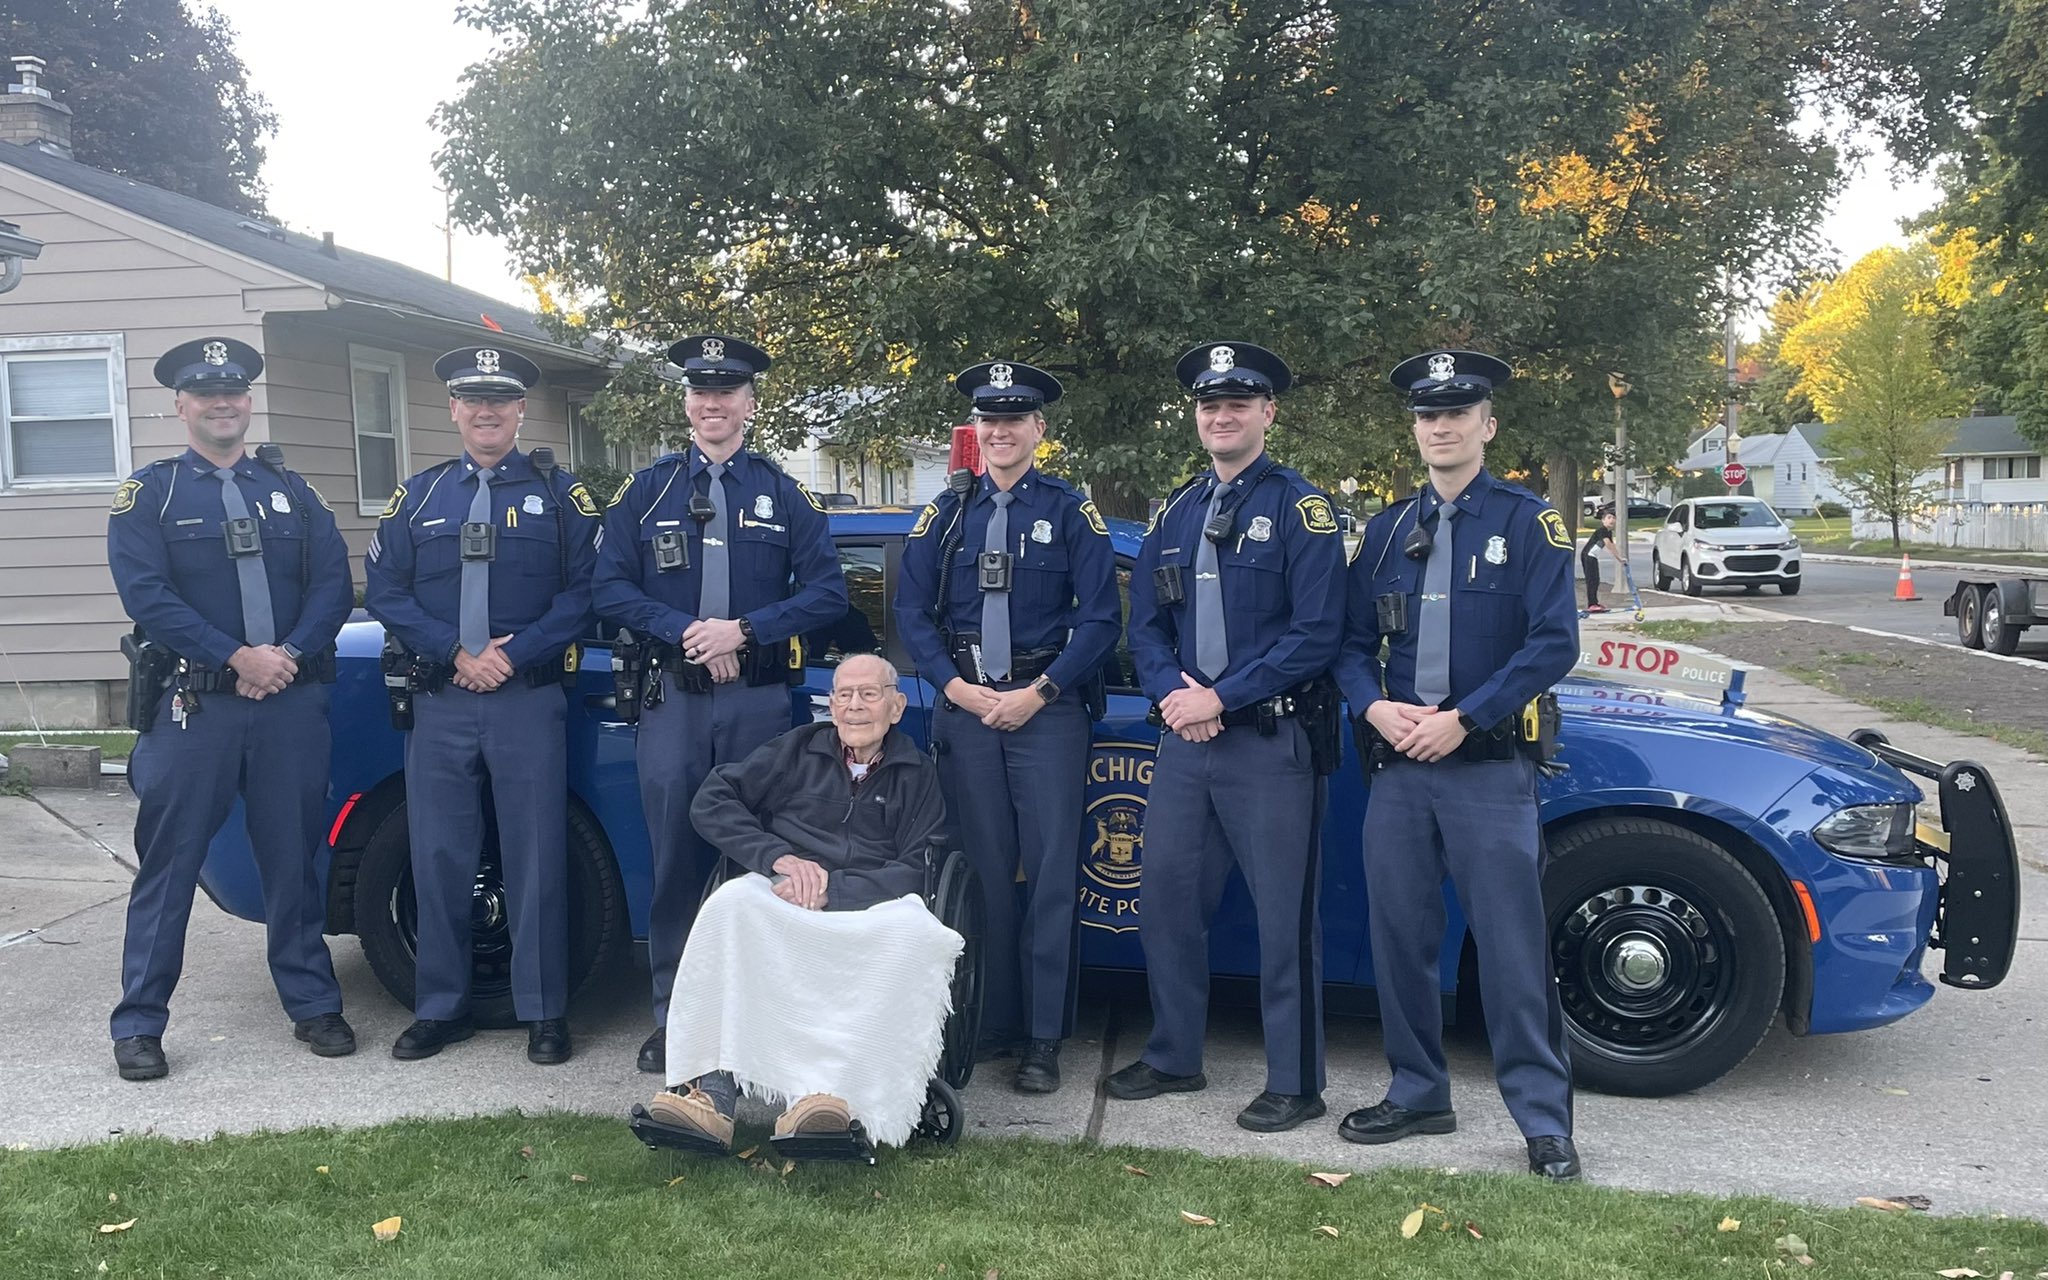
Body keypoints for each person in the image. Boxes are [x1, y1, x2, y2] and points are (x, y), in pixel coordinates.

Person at [1334, 348, 1582, 1180]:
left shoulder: (1527, 522)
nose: (1440, 426)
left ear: (1487, 424)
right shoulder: (1384, 532)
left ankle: (1544, 1122)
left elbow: (1554, 644)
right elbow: (1349, 644)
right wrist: (1372, 705)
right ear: (1415, 428)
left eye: (1456, 412)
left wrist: (1467, 718)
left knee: (1512, 950)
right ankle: (1417, 1093)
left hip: (1486, 771)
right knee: (1400, 940)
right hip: (1400, 770)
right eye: (1426, 415)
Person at [1103, 341, 1345, 1133]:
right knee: (1165, 901)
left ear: (1267, 413)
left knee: (1285, 920)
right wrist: (1176, 695)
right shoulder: (1175, 512)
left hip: (1269, 746)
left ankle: (1295, 1080)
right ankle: (1175, 1054)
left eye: (1239, 403)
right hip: (1186, 748)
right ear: (1196, 417)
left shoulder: (1302, 510)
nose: (1223, 415)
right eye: (1210, 405)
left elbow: (1316, 634)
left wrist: (1221, 697)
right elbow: (1146, 631)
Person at [591, 333, 847, 1076]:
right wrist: (691, 634)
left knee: (761, 864)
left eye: (728, 392)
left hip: (760, 704)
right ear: (687, 403)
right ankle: (676, 1022)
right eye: (702, 392)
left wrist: (746, 629)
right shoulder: (648, 492)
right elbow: (609, 589)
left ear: (749, 404)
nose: (714, 404)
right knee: (674, 864)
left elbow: (828, 591)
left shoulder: (783, 493)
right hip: (673, 701)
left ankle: (753, 1025)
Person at [103, 337, 356, 1081]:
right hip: (197, 708)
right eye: (206, 393)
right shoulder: (151, 494)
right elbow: (146, 594)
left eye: (234, 391)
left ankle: (313, 1006)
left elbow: (332, 583)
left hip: (287, 704)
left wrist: (285, 657)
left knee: (293, 861)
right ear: (181, 405)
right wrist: (235, 655)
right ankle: (140, 1024)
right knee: (169, 866)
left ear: (249, 402)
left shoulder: (293, 490)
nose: (222, 403)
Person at [364, 346, 601, 1066]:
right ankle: (441, 1007)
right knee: (438, 854)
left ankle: (543, 1011)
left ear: (521, 410)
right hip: (441, 700)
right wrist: (454, 651)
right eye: (474, 399)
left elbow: (585, 591)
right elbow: (385, 590)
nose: (488, 411)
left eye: (501, 399)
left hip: (526, 700)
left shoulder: (561, 499)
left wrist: (513, 653)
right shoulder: (419, 497)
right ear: (455, 410)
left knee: (535, 854)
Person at [892, 360, 1119, 1095]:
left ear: (1038, 430)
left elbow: (1100, 620)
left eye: (1015, 420)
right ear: (977, 432)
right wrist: (953, 686)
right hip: (968, 710)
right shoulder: (945, 514)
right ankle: (991, 1022)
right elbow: (909, 613)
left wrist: (1043, 689)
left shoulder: (1072, 511)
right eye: (990, 420)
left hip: (1045, 712)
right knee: (984, 876)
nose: (1002, 431)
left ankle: (1044, 1039)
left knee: (1052, 878)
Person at [645, 654, 961, 1151]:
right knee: (730, 906)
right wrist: (778, 859)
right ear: (830, 705)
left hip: (867, 902)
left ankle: (826, 1099)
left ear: (896, 708)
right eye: (844, 695)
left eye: (869, 695)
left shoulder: (915, 773)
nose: (855, 707)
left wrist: (837, 889)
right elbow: (712, 800)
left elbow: (920, 862)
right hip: (785, 890)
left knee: (913, 933)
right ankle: (711, 1096)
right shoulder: (795, 750)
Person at [1579, 504, 1622, 613]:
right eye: (1609, 518)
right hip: (1588, 556)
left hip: (1593, 557)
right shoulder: (1602, 530)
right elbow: (1608, 544)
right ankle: (1591, 604)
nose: (1611, 520)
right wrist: (1619, 558)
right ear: (1603, 521)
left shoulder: (1608, 532)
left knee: (1596, 580)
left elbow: (1611, 544)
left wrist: (1619, 558)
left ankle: (1595, 602)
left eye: (1613, 518)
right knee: (1592, 580)